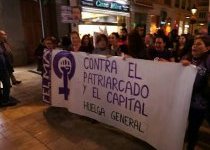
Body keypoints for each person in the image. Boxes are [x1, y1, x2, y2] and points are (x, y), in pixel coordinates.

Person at [182, 35, 210, 150]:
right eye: (194, 43)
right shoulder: (187, 57)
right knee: (183, 127)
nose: (195, 45)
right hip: (184, 101)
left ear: (207, 48)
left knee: (194, 129)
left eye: (199, 44)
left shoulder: (208, 60)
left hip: (199, 104)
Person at [0, 32, 17, 106]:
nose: (5, 36)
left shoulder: (4, 43)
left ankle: (5, 99)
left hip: (5, 67)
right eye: (4, 34)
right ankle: (4, 100)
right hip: (1, 68)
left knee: (7, 84)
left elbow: (7, 54)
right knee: (6, 84)